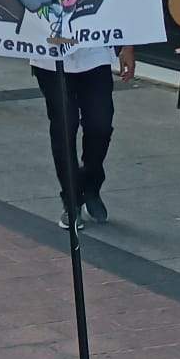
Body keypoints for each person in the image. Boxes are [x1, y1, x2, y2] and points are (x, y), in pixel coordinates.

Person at [34, 42, 137, 229]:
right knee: (64, 127)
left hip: (95, 56)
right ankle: (71, 201)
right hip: (50, 59)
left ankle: (90, 185)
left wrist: (127, 47)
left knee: (100, 124)